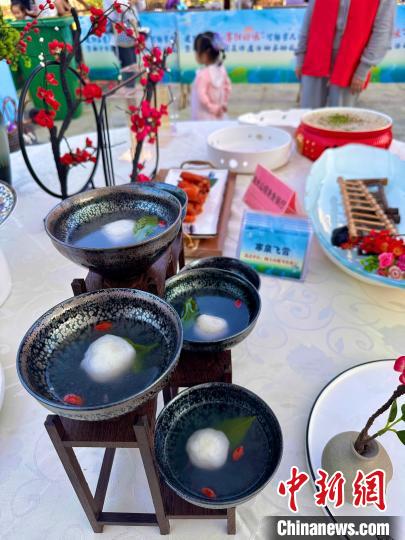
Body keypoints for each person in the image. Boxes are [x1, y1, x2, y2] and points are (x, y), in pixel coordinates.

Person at [295, 0, 396, 108]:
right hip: (315, 56)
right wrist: (300, 56)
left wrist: (362, 71)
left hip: (350, 64)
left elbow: (382, 32)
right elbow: (308, 19)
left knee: (340, 114)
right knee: (309, 112)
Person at [191, 32, 232, 121]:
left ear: (205, 54)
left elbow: (201, 96)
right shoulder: (221, 69)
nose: (195, 54)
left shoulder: (202, 75)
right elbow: (228, 88)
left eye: (196, 51)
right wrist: (223, 103)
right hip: (219, 115)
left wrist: (212, 107)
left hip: (203, 117)